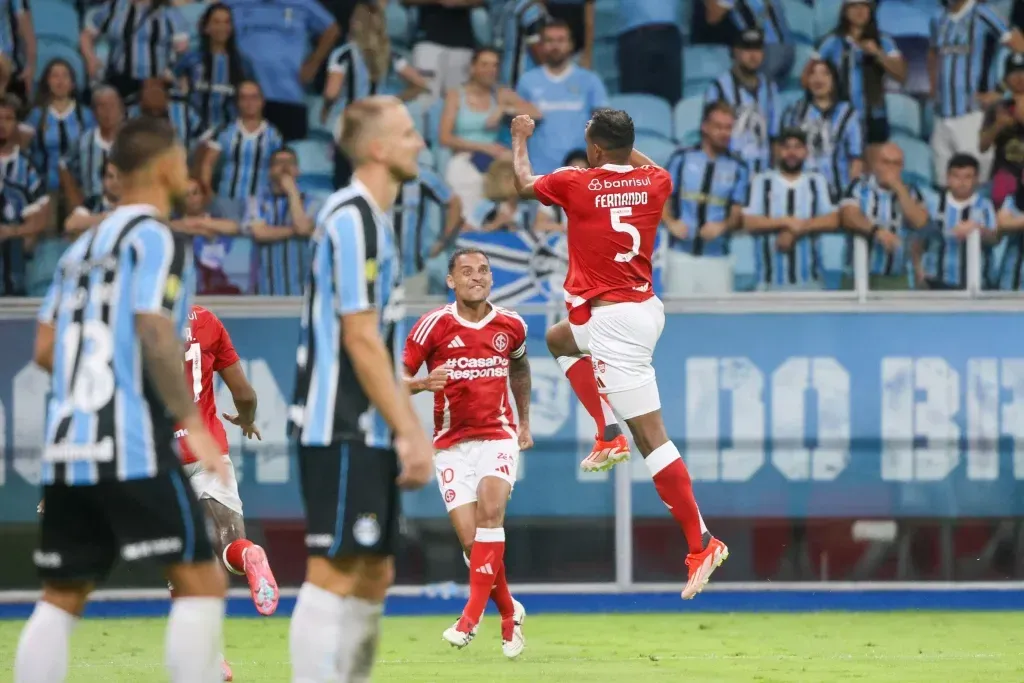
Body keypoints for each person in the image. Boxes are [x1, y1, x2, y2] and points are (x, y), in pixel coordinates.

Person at [15, 116, 228, 683]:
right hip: (131, 440)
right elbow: (153, 328)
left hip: (69, 443)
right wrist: (192, 422)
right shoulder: (157, 237)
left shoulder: (80, 249)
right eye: (181, 159)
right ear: (164, 168)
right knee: (201, 580)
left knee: (62, 595)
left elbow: (44, 348)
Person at [509, 109, 727, 599]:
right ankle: (607, 433)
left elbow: (523, 182)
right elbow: (644, 167)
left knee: (652, 440)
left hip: (615, 325)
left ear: (595, 148)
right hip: (643, 308)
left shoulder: (576, 183)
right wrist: (623, 154)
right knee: (560, 339)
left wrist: (520, 137)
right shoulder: (656, 181)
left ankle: (702, 542)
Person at [287, 95, 433, 682]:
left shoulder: (373, 220)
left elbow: (376, 340)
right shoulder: (352, 218)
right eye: (407, 133)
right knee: (335, 568)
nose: (419, 142)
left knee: (375, 571)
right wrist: (410, 432)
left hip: (365, 427)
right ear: (376, 148)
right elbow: (360, 337)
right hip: (338, 422)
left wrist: (398, 424)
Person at [402, 248, 531, 656]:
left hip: (498, 436)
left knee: (491, 514)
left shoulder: (511, 324)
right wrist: (423, 384)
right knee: (473, 544)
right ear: (451, 281)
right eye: (467, 271)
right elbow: (394, 380)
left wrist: (524, 422)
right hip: (451, 447)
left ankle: (470, 618)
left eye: (484, 270)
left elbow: (520, 367)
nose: (477, 277)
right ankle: (509, 613)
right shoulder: (432, 326)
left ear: (491, 278)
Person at [175, 304, 279, 682]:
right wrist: (246, 419)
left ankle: (210, 657)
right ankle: (249, 553)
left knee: (185, 566)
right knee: (229, 544)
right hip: (209, 451)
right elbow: (244, 393)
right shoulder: (206, 321)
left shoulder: (138, 322)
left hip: (164, 458)